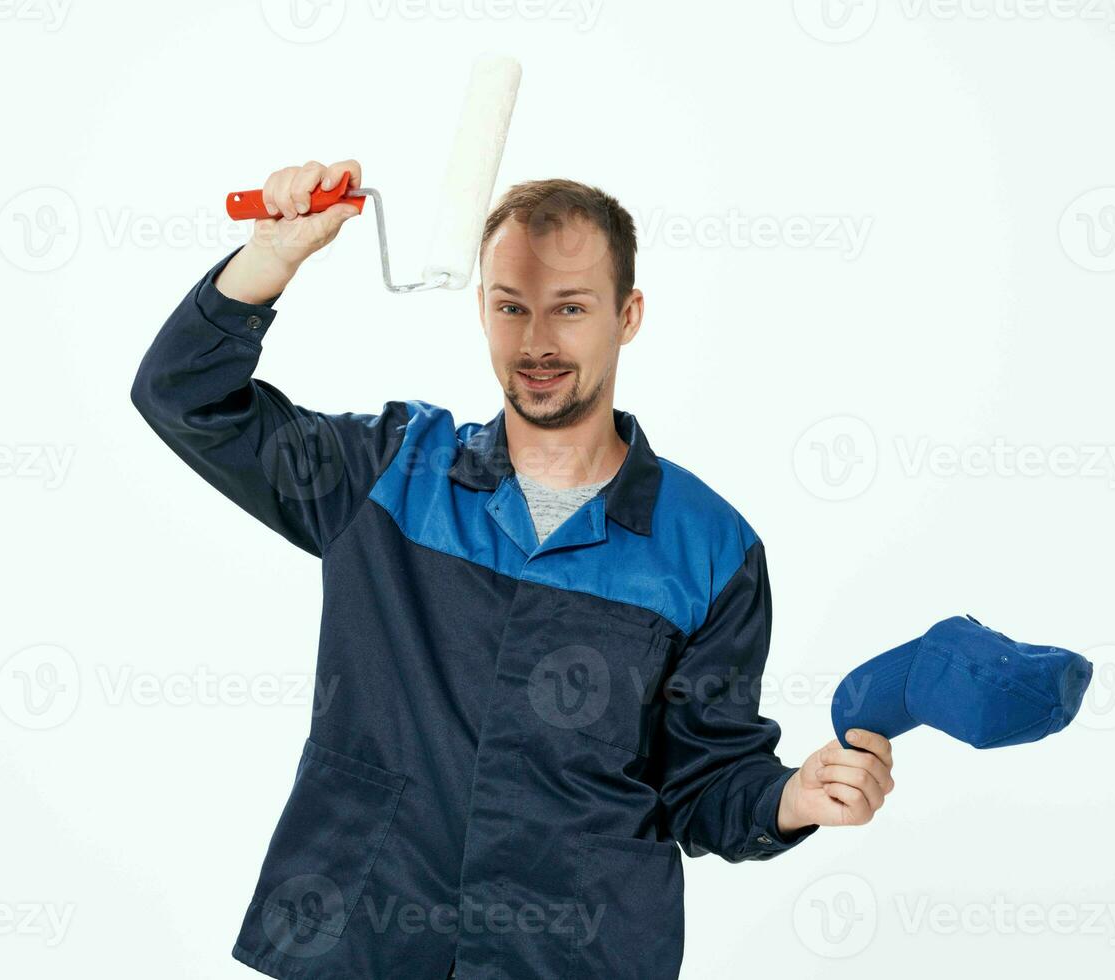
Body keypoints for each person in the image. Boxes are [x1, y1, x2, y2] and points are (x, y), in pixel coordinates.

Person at [131, 159, 896, 979]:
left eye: (570, 308)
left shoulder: (711, 549)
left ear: (627, 315)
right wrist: (270, 260)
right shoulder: (385, 474)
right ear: (483, 309)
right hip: (363, 942)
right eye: (511, 307)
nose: (537, 343)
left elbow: (700, 780)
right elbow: (184, 399)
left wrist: (791, 799)